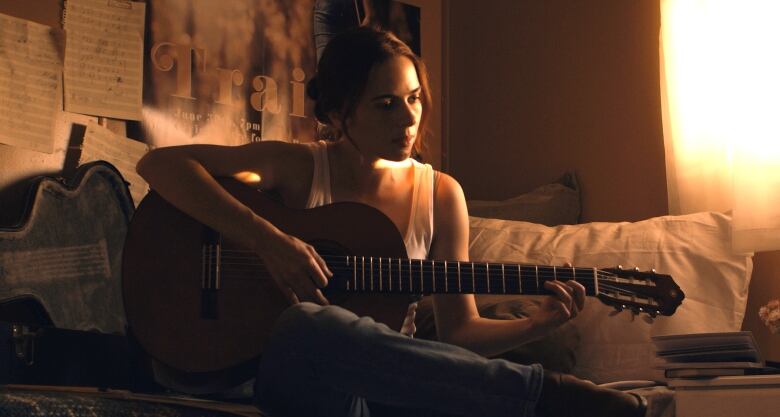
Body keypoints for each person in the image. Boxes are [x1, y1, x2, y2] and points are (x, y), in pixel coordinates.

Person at [136, 27, 646, 417]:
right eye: (385, 105)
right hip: (270, 375)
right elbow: (159, 165)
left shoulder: (441, 194)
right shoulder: (299, 167)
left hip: (363, 401)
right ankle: (550, 398)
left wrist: (536, 324)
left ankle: (545, 400)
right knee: (305, 324)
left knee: (329, 335)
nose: (408, 119)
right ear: (338, 115)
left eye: (413, 98)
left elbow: (458, 334)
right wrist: (267, 240)